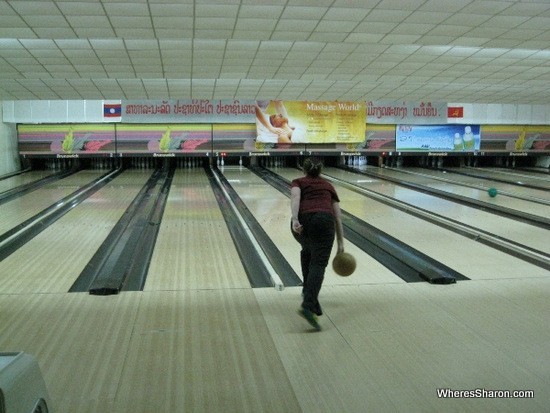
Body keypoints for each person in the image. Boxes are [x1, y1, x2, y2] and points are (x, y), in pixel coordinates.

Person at [290, 157, 344, 330]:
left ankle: (309, 295)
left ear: (303, 169)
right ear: (321, 171)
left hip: (303, 223)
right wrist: (341, 242)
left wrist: (295, 220)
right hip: (324, 221)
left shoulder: (298, 181)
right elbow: (337, 215)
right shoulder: (328, 185)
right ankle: (308, 304)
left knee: (307, 251)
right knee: (318, 264)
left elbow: (295, 198)